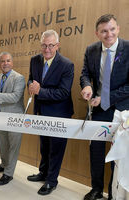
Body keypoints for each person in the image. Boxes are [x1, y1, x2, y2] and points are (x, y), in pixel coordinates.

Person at [80, 14, 129, 200]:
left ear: (118, 29)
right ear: (97, 33)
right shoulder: (91, 50)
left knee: (118, 154)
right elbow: (85, 73)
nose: (109, 34)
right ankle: (97, 189)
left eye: (112, 29)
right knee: (97, 152)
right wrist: (86, 86)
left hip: (122, 110)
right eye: (104, 31)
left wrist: (105, 97)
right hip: (99, 110)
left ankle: (113, 193)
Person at [27, 30, 74, 195]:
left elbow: (63, 93)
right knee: (44, 146)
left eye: (51, 45)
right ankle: (43, 173)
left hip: (59, 114)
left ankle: (51, 181)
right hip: (41, 112)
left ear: (57, 45)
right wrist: (30, 87)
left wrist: (40, 91)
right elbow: (31, 79)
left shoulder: (67, 65)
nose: (47, 49)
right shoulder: (34, 60)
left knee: (56, 149)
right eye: (44, 45)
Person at [0, 52, 25, 185]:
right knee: (3, 144)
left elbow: (15, 97)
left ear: (12, 63)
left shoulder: (19, 78)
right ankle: (3, 165)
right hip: (0, 117)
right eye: (3, 61)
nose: (5, 63)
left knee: (13, 146)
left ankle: (8, 173)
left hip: (15, 118)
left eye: (8, 61)